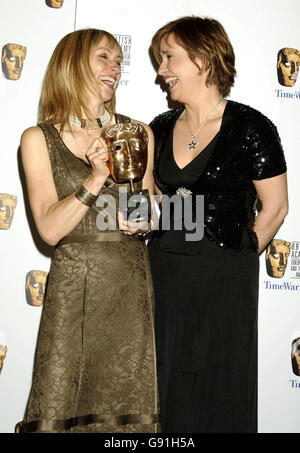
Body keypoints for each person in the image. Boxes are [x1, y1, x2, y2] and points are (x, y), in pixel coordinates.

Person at [148, 16, 288, 433]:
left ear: (204, 59)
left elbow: (276, 208)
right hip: (164, 277)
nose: (161, 71)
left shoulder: (251, 127)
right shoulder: (158, 128)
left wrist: (239, 256)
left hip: (223, 282)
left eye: (169, 58)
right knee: (164, 391)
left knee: (219, 394)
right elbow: (153, 204)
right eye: (159, 60)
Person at [16, 28, 159, 433]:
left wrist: (145, 218)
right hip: (73, 288)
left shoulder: (138, 132)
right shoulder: (38, 139)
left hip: (128, 287)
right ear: (74, 64)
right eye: (104, 58)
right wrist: (95, 177)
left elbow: (149, 206)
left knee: (126, 416)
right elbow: (48, 228)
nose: (115, 68)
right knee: (61, 404)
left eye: (118, 60)